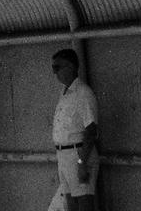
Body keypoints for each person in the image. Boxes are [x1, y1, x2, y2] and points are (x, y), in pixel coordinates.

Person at [51, 49, 99, 211]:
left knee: (84, 204)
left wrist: (82, 162)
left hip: (78, 154)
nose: (55, 73)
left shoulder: (83, 93)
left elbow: (91, 130)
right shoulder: (65, 93)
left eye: (58, 68)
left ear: (71, 67)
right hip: (64, 157)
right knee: (70, 205)